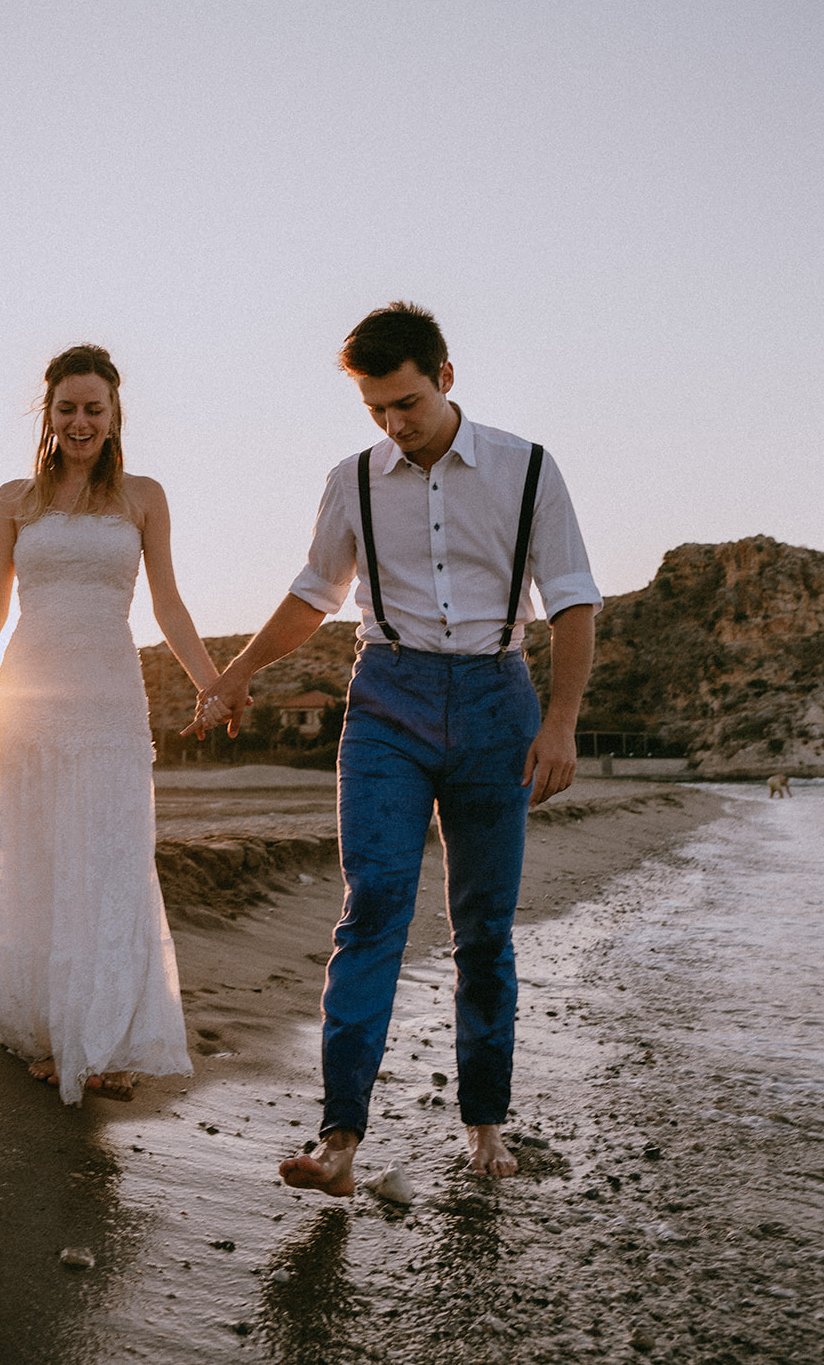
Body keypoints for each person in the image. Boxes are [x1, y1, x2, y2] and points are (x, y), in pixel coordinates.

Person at [189, 304, 600, 1184]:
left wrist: (560, 723)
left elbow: (571, 599)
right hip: (387, 702)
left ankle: (486, 1125)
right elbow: (315, 592)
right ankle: (339, 1141)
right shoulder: (353, 480)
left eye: (407, 403)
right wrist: (239, 670)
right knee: (372, 907)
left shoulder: (528, 469)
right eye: (377, 410)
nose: (394, 425)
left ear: (446, 378)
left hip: (499, 704)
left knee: (483, 929)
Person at [0, 344, 217, 1105]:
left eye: (94, 407)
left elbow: (167, 603)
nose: (80, 421)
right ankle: (55, 1031)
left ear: (114, 413)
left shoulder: (143, 497)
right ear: (49, 413)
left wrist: (212, 683)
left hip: (107, 698)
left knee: (109, 856)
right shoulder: (14, 500)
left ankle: (108, 1039)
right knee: (39, 856)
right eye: (67, 407)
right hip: (28, 696)